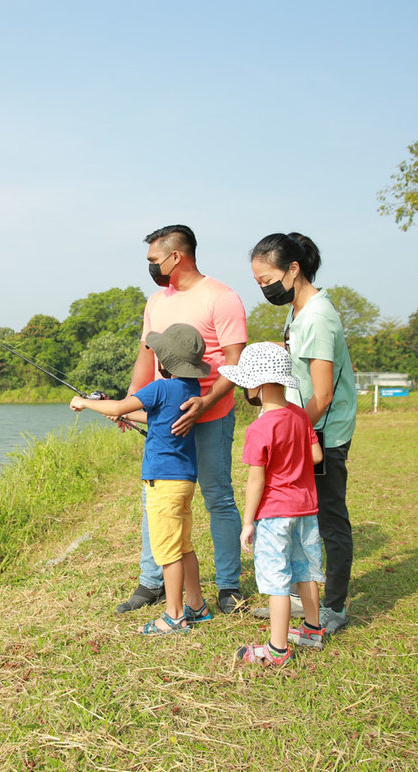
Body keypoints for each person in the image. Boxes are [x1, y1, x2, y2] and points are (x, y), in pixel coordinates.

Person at [117, 224, 247, 616]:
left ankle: (228, 585)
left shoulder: (222, 298)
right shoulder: (156, 302)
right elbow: (147, 356)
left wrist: (205, 403)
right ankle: (151, 581)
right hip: (166, 419)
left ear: (176, 257)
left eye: (154, 260)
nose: (151, 267)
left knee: (217, 497)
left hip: (211, 414)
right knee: (154, 496)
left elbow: (235, 363)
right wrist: (128, 401)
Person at [71, 323, 213, 635]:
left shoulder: (160, 387)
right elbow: (151, 415)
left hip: (162, 483)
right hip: (184, 480)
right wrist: (121, 413)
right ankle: (198, 605)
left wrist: (85, 403)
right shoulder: (191, 390)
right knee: (184, 546)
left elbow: (124, 403)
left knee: (168, 551)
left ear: (163, 361)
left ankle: (174, 615)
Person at [249, 233, 357, 635]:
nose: (264, 288)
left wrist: (292, 435)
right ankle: (301, 595)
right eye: (258, 282)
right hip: (303, 431)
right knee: (298, 516)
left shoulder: (317, 316)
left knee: (327, 519)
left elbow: (324, 393)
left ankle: (333, 607)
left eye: (267, 279)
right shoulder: (297, 312)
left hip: (322, 434)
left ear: (293, 269)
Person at [218, 342, 326, 666]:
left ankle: (277, 650)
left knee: (277, 579)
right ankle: (312, 629)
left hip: (275, 513)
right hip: (305, 508)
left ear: (259, 384)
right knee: (305, 570)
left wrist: (248, 522)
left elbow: (256, 480)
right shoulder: (299, 416)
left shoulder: (259, 428)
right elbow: (317, 455)